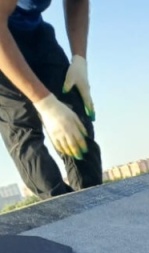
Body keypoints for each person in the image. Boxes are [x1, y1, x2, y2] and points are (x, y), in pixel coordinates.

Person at [0, 0, 101, 200]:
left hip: (34, 32)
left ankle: (93, 202)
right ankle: (62, 209)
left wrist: (79, 59)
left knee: (76, 123)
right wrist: (45, 103)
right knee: (24, 132)